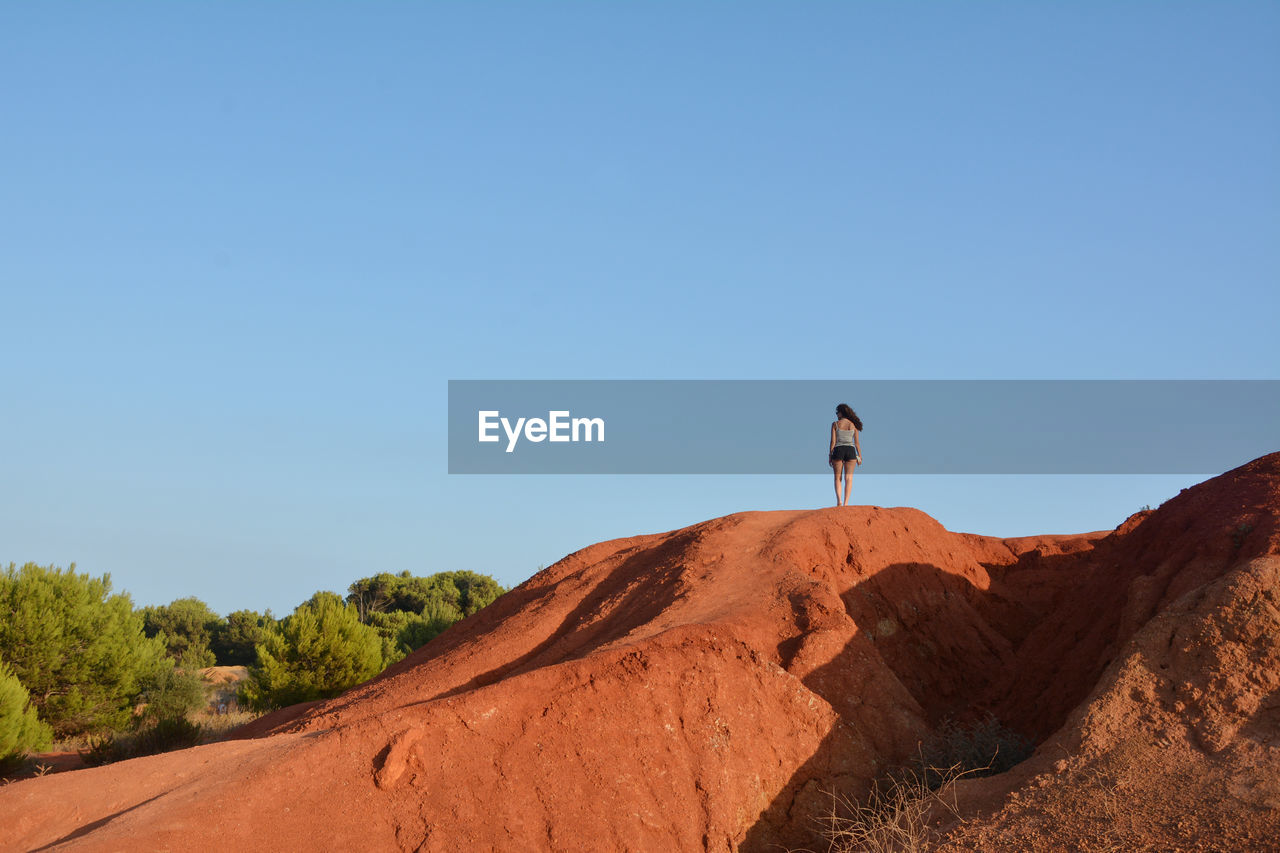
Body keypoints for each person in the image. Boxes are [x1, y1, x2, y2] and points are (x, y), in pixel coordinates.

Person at [828, 403, 863, 506]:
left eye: (837, 412)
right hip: (851, 451)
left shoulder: (835, 424)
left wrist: (830, 454)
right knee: (849, 478)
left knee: (837, 478)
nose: (836, 414)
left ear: (841, 412)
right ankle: (846, 503)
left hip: (838, 450)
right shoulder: (853, 425)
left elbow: (833, 442)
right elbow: (857, 443)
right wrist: (860, 456)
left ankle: (839, 501)